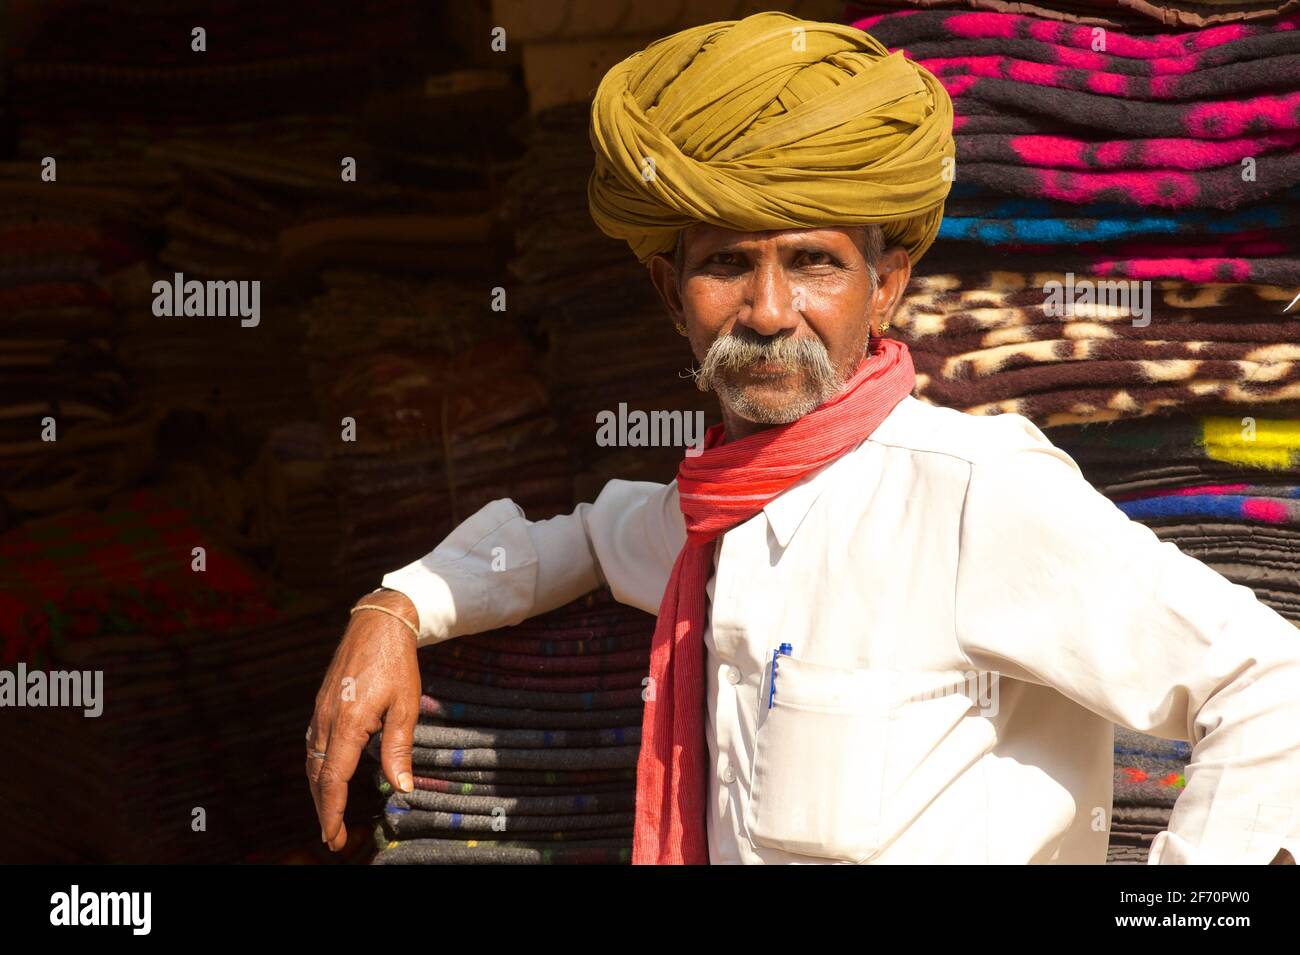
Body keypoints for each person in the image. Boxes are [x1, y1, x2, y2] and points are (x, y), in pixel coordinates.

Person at [305, 11, 1300, 864]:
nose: (769, 310)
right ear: (669, 294)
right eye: (728, 262)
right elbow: (567, 541)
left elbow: (1271, 688)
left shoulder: (974, 494)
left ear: (887, 286)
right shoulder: (708, 515)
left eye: (813, 261)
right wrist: (394, 606)